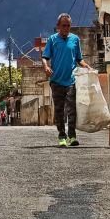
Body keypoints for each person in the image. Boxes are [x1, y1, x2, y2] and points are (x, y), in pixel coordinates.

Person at [42, 13, 90, 147]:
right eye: (64, 25)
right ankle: (62, 137)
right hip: (56, 81)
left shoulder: (75, 40)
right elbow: (45, 56)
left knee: (72, 110)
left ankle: (72, 136)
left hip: (71, 81)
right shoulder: (52, 40)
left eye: (68, 25)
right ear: (58, 26)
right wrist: (46, 66)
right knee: (59, 110)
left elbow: (79, 59)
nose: (66, 28)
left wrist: (86, 66)